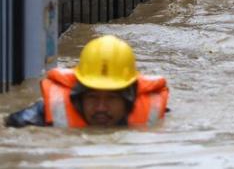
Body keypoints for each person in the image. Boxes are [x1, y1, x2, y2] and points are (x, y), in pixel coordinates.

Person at [4, 35, 169, 128]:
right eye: (92, 97)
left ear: (129, 97)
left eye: (111, 98)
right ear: (78, 94)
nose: (101, 108)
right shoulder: (36, 117)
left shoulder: (153, 111)